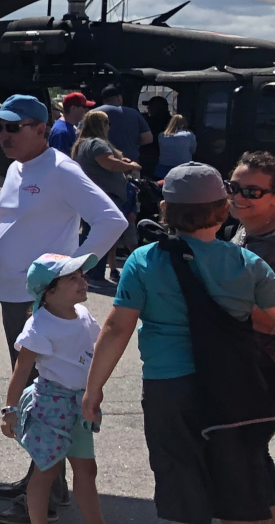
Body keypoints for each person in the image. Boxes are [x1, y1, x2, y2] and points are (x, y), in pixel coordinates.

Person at [83, 163, 275, 524]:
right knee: (242, 493)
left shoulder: (144, 261)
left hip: (168, 389)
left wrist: (93, 389)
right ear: (222, 210)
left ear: (166, 210)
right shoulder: (247, 263)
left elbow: (115, 330)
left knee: (183, 492)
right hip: (232, 389)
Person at [0, 94, 126, 510]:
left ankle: (45, 495)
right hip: (14, 295)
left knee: (46, 397)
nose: (3, 134)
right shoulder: (19, 168)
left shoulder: (60, 168)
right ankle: (45, 481)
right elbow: (15, 223)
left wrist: (75, 268)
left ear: (41, 128)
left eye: (13, 127)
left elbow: (112, 219)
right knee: (36, 400)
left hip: (39, 303)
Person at [0, 254, 104, 524]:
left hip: (79, 404)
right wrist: (10, 410)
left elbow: (96, 351)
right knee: (46, 470)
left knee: (86, 469)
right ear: (49, 291)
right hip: (50, 404)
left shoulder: (83, 315)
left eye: (82, 276)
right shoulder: (40, 324)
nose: (83, 281)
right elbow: (21, 370)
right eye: (73, 278)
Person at [72, 112, 140, 287]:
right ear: (101, 124)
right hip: (106, 196)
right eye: (107, 123)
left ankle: (85, 274)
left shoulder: (82, 144)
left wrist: (120, 160)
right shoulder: (97, 143)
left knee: (91, 235)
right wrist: (130, 166)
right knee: (101, 236)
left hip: (92, 196)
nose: (109, 126)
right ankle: (94, 275)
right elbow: (108, 163)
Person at [90, 85, 152, 162]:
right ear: (119, 98)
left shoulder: (92, 113)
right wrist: (131, 143)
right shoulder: (134, 113)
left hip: (99, 162)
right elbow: (148, 138)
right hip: (129, 163)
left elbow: (80, 135)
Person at [154, 115, 197, 179]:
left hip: (163, 169)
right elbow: (193, 151)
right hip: (184, 168)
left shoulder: (161, 135)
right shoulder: (189, 135)